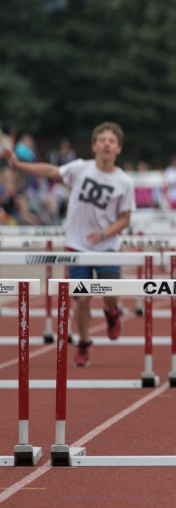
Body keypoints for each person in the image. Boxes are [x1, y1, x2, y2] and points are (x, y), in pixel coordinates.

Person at [1, 122, 134, 367]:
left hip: (107, 247)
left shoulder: (124, 182)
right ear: (94, 146)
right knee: (81, 299)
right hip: (76, 245)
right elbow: (51, 171)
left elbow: (125, 218)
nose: (106, 144)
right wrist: (19, 165)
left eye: (111, 141)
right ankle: (84, 342)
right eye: (102, 140)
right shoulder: (80, 168)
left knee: (110, 294)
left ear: (119, 148)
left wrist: (104, 234)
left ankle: (112, 312)